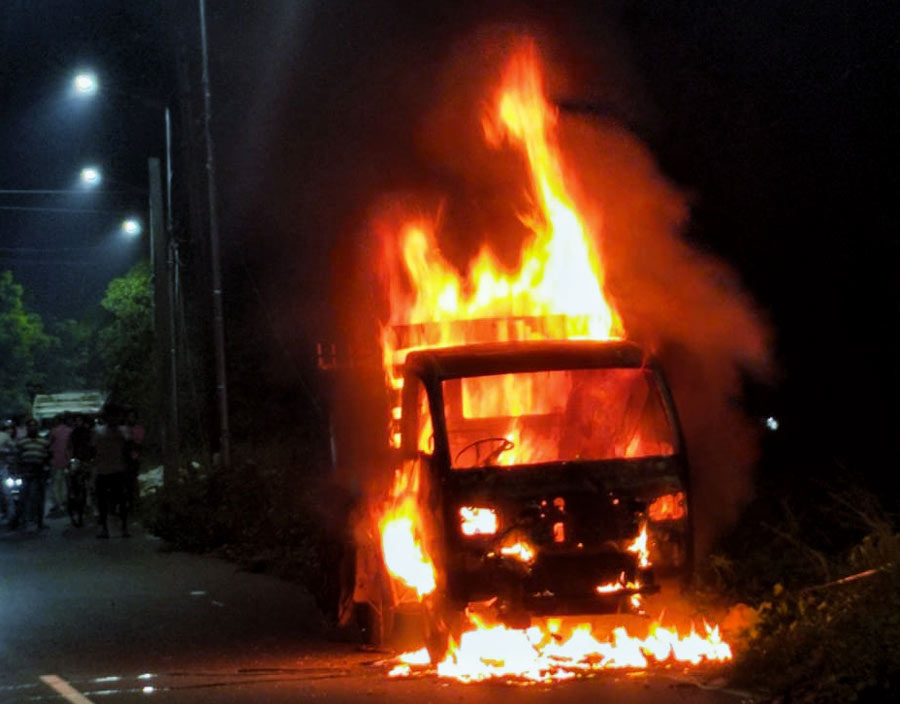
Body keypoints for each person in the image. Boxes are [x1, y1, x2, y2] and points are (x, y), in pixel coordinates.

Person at [93, 405, 128, 538]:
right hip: (106, 470)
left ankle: (119, 527)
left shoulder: (122, 431)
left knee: (119, 500)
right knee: (106, 500)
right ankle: (108, 527)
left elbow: (128, 448)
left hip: (115, 469)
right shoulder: (99, 431)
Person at [10, 418, 51, 531]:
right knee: (23, 497)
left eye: (35, 426)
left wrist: (47, 469)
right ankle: (20, 520)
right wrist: (17, 470)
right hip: (26, 471)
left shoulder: (44, 441)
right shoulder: (22, 442)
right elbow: (17, 457)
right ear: (27, 428)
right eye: (30, 426)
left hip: (39, 471)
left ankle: (39, 522)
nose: (33, 428)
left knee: (39, 498)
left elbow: (48, 456)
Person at [46, 414, 73, 518]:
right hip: (67, 460)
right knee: (64, 483)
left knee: (56, 483)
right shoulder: (70, 431)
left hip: (55, 460)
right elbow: (71, 446)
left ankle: (58, 503)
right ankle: (64, 501)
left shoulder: (53, 431)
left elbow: (48, 445)